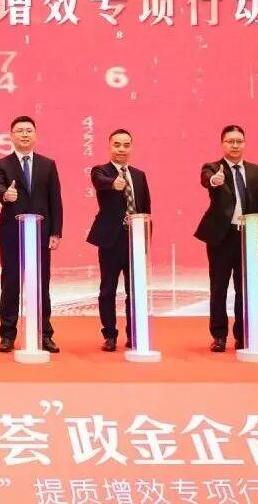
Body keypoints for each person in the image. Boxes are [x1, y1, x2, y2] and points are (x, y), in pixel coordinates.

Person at [194, 124, 258, 352]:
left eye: (239, 141)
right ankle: (219, 336)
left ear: (244, 143)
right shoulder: (213, 168)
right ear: (223, 144)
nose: (235, 145)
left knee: (245, 288)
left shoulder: (257, 172)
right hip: (221, 237)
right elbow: (206, 179)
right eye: (230, 141)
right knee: (219, 287)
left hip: (248, 236)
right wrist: (215, 180)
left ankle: (243, 335)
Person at [0, 115, 63, 354]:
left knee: (41, 285)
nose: (24, 134)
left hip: (40, 234)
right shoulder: (2, 164)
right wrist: (5, 194)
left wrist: (56, 231)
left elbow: (55, 200)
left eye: (28, 130)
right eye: (20, 130)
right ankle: (7, 334)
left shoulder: (48, 164)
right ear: (11, 136)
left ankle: (45, 334)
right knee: (10, 285)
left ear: (35, 135)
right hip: (12, 234)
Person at [87, 129, 152, 352]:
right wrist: (113, 183)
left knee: (135, 290)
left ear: (131, 147)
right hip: (111, 240)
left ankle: (134, 334)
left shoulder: (139, 175)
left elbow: (146, 209)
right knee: (108, 290)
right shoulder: (100, 171)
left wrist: (145, 239)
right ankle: (110, 335)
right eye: (117, 144)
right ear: (109, 146)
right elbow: (100, 182)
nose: (121, 149)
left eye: (126, 145)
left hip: (135, 240)